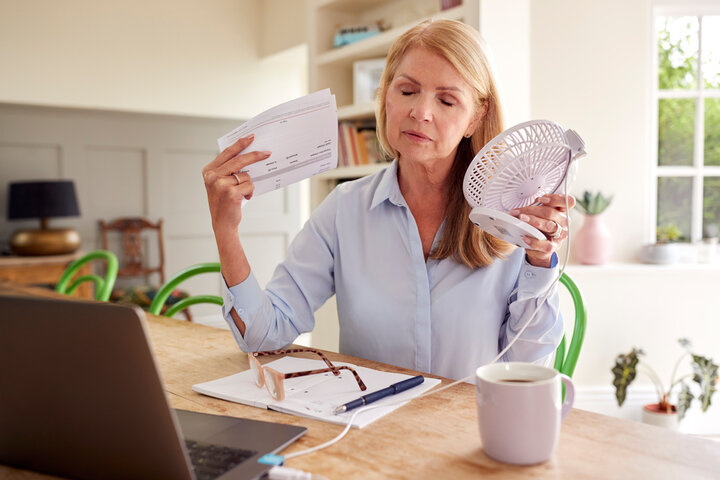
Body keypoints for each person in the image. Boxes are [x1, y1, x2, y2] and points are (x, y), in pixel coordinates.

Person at [202, 19, 575, 380]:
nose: (420, 112)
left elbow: (529, 364)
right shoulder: (344, 209)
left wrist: (539, 262)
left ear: (477, 118)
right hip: (372, 433)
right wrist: (226, 229)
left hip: (471, 432)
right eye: (407, 91)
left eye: (446, 100)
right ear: (386, 97)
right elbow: (264, 336)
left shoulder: (508, 216)